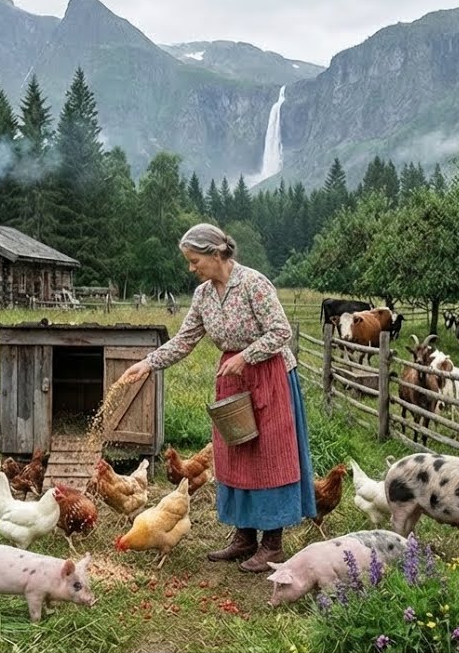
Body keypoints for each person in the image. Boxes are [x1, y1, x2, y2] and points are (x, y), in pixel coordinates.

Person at [120, 223, 316, 573]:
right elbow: (185, 340)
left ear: (215, 255)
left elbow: (281, 331)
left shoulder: (253, 284)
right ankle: (244, 539)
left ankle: (272, 545)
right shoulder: (203, 295)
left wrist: (246, 356)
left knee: (268, 457)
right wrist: (148, 364)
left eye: (194, 260)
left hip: (270, 376)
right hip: (233, 380)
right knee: (236, 455)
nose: (191, 268)